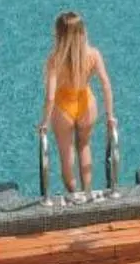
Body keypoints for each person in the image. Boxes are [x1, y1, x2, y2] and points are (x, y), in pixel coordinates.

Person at [38, 10, 114, 198]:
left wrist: (44, 122)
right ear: (83, 31)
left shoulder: (55, 59)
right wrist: (110, 116)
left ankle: (73, 195)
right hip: (86, 103)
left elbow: (50, 97)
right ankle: (87, 192)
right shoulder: (93, 55)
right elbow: (105, 84)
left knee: (66, 155)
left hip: (64, 107)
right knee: (84, 146)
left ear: (59, 34)